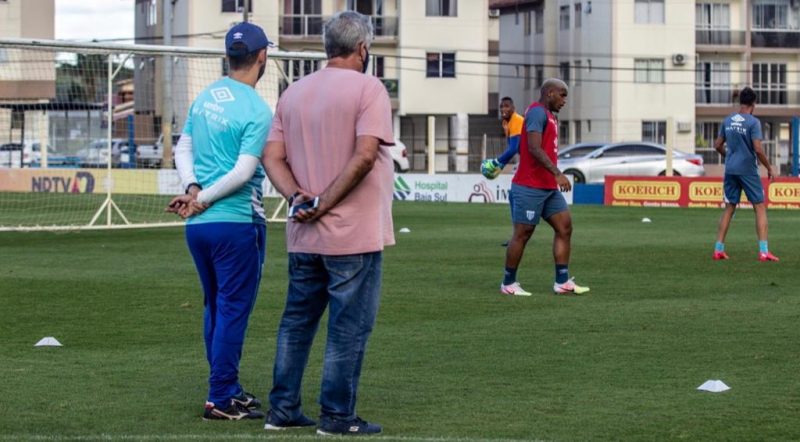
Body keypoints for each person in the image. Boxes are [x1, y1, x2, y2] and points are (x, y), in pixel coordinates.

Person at [261, 11, 393, 436]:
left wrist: (296, 197)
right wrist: (322, 201)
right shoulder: (369, 88)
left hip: (303, 234)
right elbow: (365, 155)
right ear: (362, 48)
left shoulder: (293, 92)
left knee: (296, 323)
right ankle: (336, 416)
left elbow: (272, 157)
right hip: (352, 234)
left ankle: (282, 411)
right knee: (348, 329)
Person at [166, 22, 274, 420]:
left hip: (199, 228)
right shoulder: (258, 110)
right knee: (231, 309)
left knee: (215, 305)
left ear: (228, 57)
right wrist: (203, 199)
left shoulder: (204, 97)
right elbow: (245, 172)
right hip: (236, 223)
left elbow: (183, 148)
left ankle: (226, 387)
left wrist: (194, 190)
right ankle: (220, 396)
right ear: (262, 57)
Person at [500, 78, 590, 296]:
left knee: (565, 227)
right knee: (522, 234)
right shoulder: (538, 112)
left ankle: (562, 281)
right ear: (550, 93)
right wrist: (558, 173)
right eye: (562, 95)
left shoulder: (550, 116)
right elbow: (533, 147)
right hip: (529, 185)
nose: (565, 100)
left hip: (547, 187)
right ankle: (508, 284)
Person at [712, 86, 779, 262]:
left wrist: (729, 157)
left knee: (729, 207)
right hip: (747, 170)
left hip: (731, 170)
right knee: (759, 207)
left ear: (740, 101)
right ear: (753, 103)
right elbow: (758, 148)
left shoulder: (728, 120)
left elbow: (717, 145)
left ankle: (718, 249)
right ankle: (764, 251)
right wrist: (769, 167)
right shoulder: (753, 122)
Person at [483, 97, 525, 178]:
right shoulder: (506, 122)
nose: (503, 109)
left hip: (534, 160)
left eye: (506, 106)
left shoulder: (516, 120)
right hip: (527, 160)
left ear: (513, 108)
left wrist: (495, 163)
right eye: (501, 107)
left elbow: (513, 150)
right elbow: (512, 147)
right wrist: (501, 166)